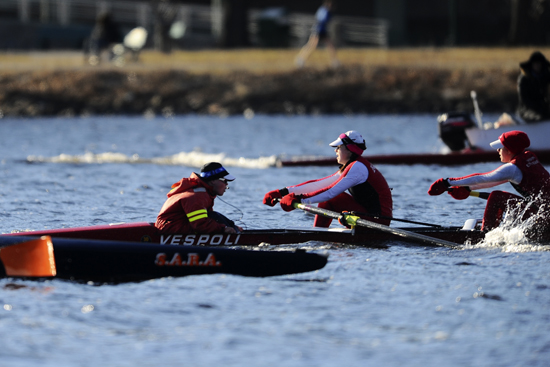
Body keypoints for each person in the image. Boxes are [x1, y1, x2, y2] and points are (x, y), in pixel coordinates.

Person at [428, 130, 550, 235]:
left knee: (496, 197)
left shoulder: (512, 168)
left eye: (500, 148)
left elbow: (482, 178)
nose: (498, 150)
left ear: (509, 149)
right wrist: (467, 188)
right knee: (498, 195)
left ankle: (485, 235)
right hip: (544, 212)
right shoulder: (528, 157)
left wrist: (447, 182)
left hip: (544, 217)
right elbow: (492, 181)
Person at [263, 130, 393, 228]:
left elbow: (330, 192)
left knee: (332, 197)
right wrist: (283, 192)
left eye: (339, 147)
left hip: (378, 222)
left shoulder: (358, 168)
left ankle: (317, 236)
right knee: (330, 198)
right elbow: (320, 185)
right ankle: (318, 234)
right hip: (367, 216)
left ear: (350, 149)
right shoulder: (352, 166)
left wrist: (300, 199)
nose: (335, 150)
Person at [155, 162, 243, 234]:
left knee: (214, 216)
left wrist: (231, 226)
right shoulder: (196, 196)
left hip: (176, 225)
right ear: (213, 180)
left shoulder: (202, 192)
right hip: (170, 229)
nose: (227, 184)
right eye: (225, 181)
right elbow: (200, 225)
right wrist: (223, 229)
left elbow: (209, 217)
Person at [295, 0, 339, 68]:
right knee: (312, 45)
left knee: (330, 45)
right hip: (318, 30)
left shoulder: (323, 10)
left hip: (322, 31)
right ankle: (301, 59)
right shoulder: (324, 11)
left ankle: (334, 61)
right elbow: (322, 20)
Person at [517, 51, 550, 122]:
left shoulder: (546, 77)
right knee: (538, 117)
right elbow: (524, 100)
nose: (538, 66)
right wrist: (538, 108)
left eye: (539, 64)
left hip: (544, 109)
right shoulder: (524, 79)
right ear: (531, 65)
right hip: (527, 110)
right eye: (536, 64)